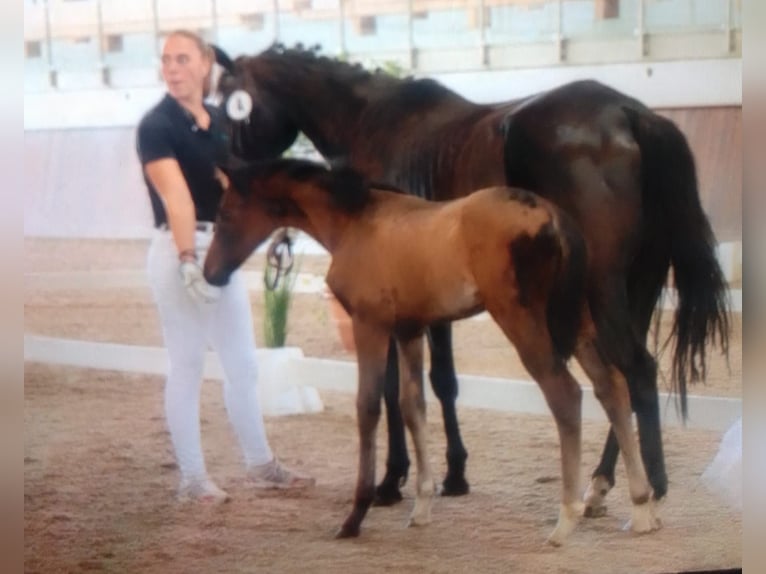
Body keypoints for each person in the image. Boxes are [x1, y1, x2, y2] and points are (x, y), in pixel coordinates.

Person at [136, 29, 314, 503]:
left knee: (242, 366)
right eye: (166, 60)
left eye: (181, 59)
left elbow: (235, 184)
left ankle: (260, 464)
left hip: (222, 253)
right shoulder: (156, 127)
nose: (172, 68)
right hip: (184, 254)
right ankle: (193, 479)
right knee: (188, 365)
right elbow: (176, 198)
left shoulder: (217, 120)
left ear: (205, 62)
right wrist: (188, 262)